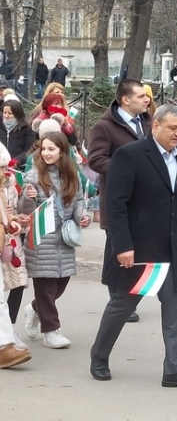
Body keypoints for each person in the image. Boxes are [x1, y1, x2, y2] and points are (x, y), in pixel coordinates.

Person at [90, 104, 177, 388]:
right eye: (172, 128)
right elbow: (115, 204)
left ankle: (175, 369)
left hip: (174, 248)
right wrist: (123, 245)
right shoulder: (129, 155)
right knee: (122, 305)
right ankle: (99, 356)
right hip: (141, 250)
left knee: (176, 308)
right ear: (155, 126)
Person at [88, 79, 152, 323]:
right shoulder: (105, 127)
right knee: (118, 252)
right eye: (141, 96)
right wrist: (128, 169)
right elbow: (95, 160)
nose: (147, 99)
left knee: (138, 250)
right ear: (126, 100)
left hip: (144, 202)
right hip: (117, 202)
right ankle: (118, 299)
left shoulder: (147, 123)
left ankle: (130, 296)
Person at [19, 131, 88, 349]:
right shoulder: (33, 175)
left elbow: (77, 201)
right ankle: (51, 331)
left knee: (60, 283)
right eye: (44, 149)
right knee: (46, 287)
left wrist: (82, 216)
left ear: (61, 152)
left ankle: (34, 308)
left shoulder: (72, 175)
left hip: (64, 238)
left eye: (52, 149)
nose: (46, 153)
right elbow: (24, 210)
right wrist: (27, 199)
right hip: (41, 238)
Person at [1, 142, 30, 359]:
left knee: (6, 292)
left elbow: (6, 215)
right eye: (2, 167)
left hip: (5, 244)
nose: (6, 172)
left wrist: (12, 220)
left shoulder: (5, 185)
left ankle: (6, 342)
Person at [1, 99, 36, 164]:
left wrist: (17, 161)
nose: (6, 116)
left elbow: (29, 149)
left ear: (17, 114)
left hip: (18, 166)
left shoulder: (26, 129)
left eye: (10, 113)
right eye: (5, 112)